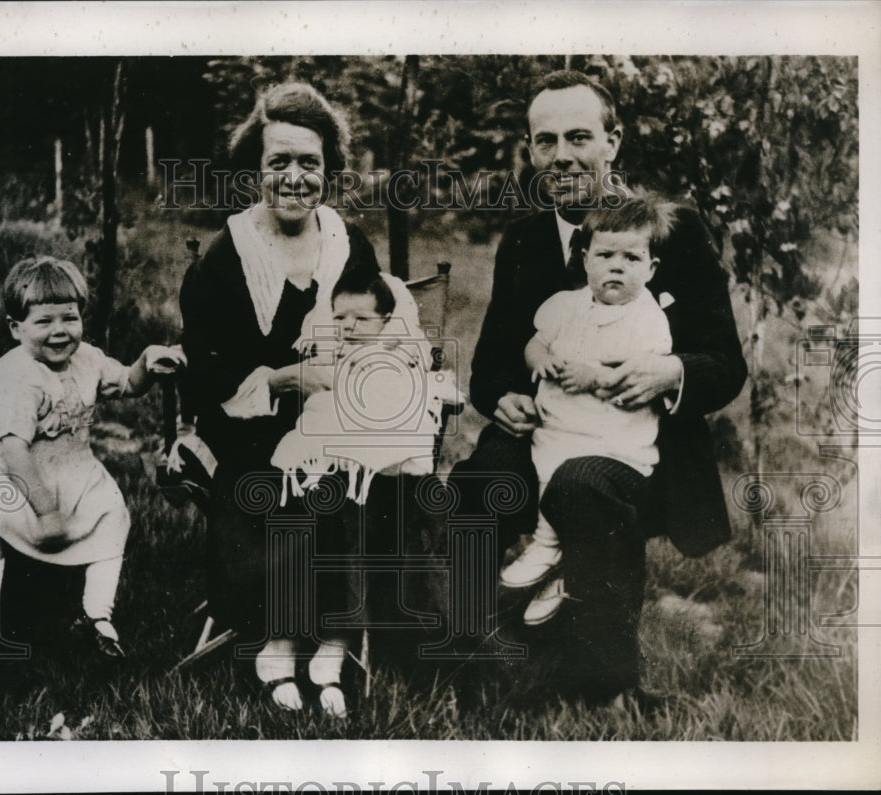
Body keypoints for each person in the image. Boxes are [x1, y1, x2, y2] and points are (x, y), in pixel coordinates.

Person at [449, 70, 747, 706]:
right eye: (546, 140)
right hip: (545, 429)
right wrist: (502, 398)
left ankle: (606, 685)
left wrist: (672, 371)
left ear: (614, 141)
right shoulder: (525, 240)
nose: (562, 156)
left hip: (641, 448)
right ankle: (474, 655)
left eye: (579, 137)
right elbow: (491, 365)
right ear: (531, 152)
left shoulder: (672, 230)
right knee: (478, 484)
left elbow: (726, 362)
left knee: (580, 485)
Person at [179, 82, 383, 718]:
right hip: (246, 431)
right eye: (279, 162)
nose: (295, 177)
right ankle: (279, 642)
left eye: (310, 162)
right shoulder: (226, 255)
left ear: (329, 169)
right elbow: (204, 378)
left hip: (340, 422)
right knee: (280, 489)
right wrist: (283, 380)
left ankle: (331, 647)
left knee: (350, 483)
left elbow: (381, 332)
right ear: (255, 170)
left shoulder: (350, 245)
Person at [0, 256, 185, 684]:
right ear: (16, 328)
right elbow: (15, 449)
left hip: (73, 472)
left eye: (70, 318)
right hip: (17, 475)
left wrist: (147, 363)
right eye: (44, 321)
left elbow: (128, 383)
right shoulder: (17, 377)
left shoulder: (88, 359)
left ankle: (97, 616)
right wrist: (45, 511)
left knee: (112, 516)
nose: (60, 331)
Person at [501, 195, 674, 626]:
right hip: (558, 427)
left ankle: (566, 569)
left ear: (651, 269)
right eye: (605, 256)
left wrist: (594, 377)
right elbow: (535, 342)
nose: (617, 267)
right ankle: (548, 548)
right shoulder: (565, 305)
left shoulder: (648, 319)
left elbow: (637, 373)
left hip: (612, 440)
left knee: (576, 483)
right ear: (584, 260)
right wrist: (539, 359)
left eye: (631, 258)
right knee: (547, 469)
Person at [270, 269, 451, 506]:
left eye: (362, 319)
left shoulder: (396, 353)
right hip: (331, 447)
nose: (348, 326)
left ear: (386, 320)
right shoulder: (329, 354)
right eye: (339, 318)